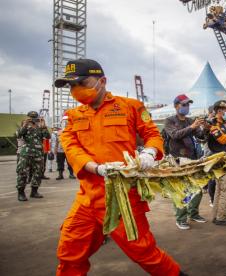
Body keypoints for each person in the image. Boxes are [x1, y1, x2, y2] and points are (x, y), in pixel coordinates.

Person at [54, 58, 182, 275]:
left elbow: (151, 134)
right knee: (69, 252)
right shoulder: (73, 116)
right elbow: (72, 148)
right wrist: (96, 168)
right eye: (71, 86)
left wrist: (150, 152)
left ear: (102, 81)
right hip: (88, 198)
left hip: (123, 197)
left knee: (144, 252)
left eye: (81, 83)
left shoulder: (129, 106)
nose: (76, 90)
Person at [164, 94, 208, 230]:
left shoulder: (190, 121)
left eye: (188, 104)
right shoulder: (169, 121)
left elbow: (200, 136)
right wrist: (193, 127)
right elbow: (175, 135)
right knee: (181, 190)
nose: (187, 107)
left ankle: (193, 213)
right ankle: (181, 218)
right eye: (184, 105)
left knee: (198, 188)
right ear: (176, 106)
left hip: (192, 158)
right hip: (177, 159)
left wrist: (204, 127)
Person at [16, 111, 51, 201]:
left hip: (38, 153)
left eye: (35, 117)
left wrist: (44, 126)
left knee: (38, 172)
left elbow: (47, 136)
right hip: (26, 153)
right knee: (22, 172)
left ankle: (34, 191)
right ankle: (21, 192)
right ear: (27, 117)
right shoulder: (24, 126)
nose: (33, 119)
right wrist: (25, 124)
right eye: (31, 117)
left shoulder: (40, 127)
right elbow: (19, 135)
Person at [52, 115, 76, 180]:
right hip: (60, 150)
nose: (65, 123)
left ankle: (71, 174)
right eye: (64, 121)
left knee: (70, 163)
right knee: (60, 162)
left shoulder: (72, 131)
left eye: (66, 121)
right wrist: (55, 149)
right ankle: (60, 174)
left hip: (69, 150)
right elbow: (57, 141)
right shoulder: (59, 132)